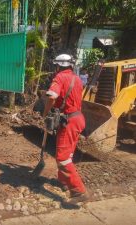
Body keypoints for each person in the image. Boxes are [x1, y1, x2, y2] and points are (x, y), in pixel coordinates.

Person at [43, 54, 88, 204]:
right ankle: (63, 181)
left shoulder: (60, 77)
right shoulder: (77, 79)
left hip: (69, 121)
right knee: (66, 154)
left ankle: (78, 191)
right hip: (78, 119)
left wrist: (45, 112)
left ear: (58, 66)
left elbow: (52, 96)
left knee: (62, 158)